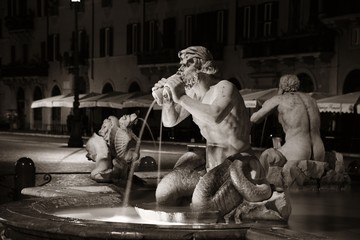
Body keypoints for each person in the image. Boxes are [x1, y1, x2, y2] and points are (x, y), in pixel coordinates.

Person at [153, 46, 269, 209]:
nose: (180, 70)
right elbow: (169, 122)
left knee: (203, 203)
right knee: (164, 193)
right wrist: (167, 99)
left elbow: (216, 115)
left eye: (187, 64)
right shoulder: (193, 95)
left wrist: (180, 97)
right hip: (210, 167)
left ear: (203, 68)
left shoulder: (224, 87)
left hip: (238, 163)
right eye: (181, 65)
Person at [250, 74, 325, 172]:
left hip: (298, 149)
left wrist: (275, 98)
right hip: (319, 150)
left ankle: (260, 186)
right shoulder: (312, 100)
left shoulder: (280, 99)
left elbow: (254, 118)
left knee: (266, 157)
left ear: (281, 86)